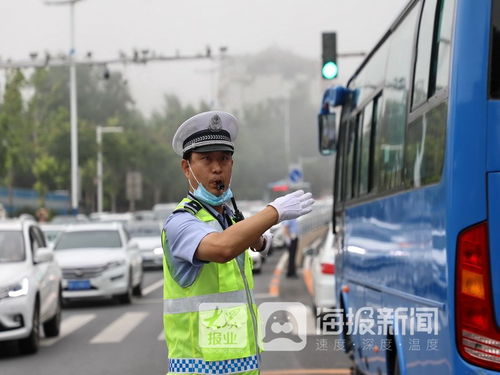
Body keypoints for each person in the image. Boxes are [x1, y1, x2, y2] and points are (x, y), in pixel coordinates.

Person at [161, 111, 314, 375]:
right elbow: (222, 248)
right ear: (187, 167)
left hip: (241, 366)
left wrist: (260, 239)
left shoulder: (226, 217)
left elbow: (238, 239)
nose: (217, 168)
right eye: (206, 159)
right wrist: (274, 212)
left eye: (224, 159)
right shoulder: (180, 223)